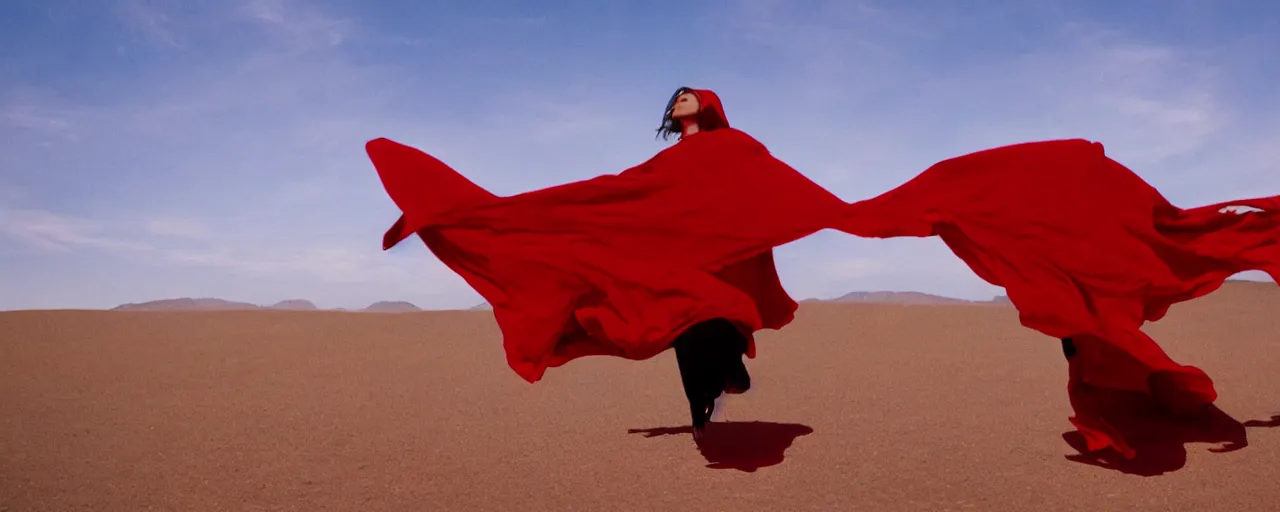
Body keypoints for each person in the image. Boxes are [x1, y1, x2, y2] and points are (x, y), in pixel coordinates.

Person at [657, 87, 753, 440]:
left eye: (688, 95)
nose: (679, 99)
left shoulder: (724, 148)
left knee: (714, 316)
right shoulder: (667, 160)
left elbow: (745, 185)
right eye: (676, 98)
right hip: (679, 255)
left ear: (706, 105)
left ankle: (729, 370)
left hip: (716, 252)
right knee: (684, 331)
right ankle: (699, 408)